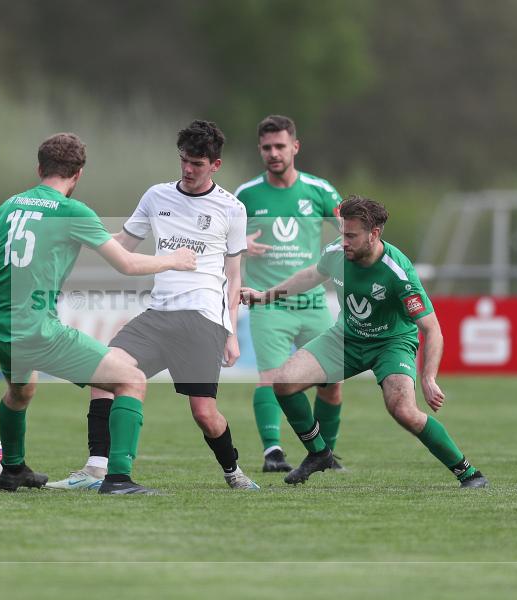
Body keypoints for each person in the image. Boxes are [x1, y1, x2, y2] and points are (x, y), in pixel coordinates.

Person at [0, 132, 197, 495]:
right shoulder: (72, 211)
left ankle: (13, 469)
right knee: (131, 379)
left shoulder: (10, 207)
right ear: (79, 174)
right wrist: (174, 260)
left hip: (2, 330)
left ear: (40, 168)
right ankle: (118, 479)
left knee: (20, 392)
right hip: (38, 332)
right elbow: (127, 265)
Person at [46, 120, 260, 492]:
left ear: (215, 165)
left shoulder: (232, 209)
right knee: (105, 373)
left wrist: (231, 331)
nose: (188, 170)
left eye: (197, 163)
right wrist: (77, 238)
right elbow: (123, 245)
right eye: (183, 161)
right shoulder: (156, 196)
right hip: (158, 314)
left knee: (205, 414)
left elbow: (234, 275)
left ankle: (233, 471)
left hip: (203, 319)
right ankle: (97, 469)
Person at [240, 196, 488, 488]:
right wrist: (264, 295)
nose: (343, 242)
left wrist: (429, 377)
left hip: (391, 344)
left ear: (374, 233)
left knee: (404, 411)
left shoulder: (398, 273)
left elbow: (431, 329)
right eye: (342, 233)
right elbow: (310, 275)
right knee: (283, 382)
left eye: (351, 236)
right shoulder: (336, 253)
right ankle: (319, 452)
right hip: (345, 338)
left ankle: (467, 472)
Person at [234, 114, 346, 473]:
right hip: (269, 304)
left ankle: (324, 454)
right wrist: (236, 244)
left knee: (332, 382)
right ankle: (273, 453)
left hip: (312, 301)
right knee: (271, 378)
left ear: (295, 147)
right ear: (260, 151)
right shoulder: (246, 195)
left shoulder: (319, 190)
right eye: (267, 148)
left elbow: (351, 229)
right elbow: (219, 239)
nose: (274, 153)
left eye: (280, 146)